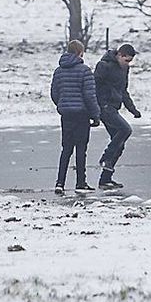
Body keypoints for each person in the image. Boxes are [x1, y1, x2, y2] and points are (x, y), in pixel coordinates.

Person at [50, 39, 101, 195]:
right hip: (81, 114)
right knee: (80, 149)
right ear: (80, 52)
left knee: (66, 149)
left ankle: (60, 182)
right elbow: (90, 95)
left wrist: (62, 105)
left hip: (66, 115)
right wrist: (95, 114)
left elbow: (54, 93)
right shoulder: (85, 71)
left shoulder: (58, 71)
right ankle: (80, 183)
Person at [93, 43, 142, 189]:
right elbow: (94, 86)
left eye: (130, 61)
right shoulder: (104, 65)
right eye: (126, 60)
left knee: (119, 145)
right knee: (125, 130)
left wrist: (132, 109)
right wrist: (96, 107)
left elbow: (123, 91)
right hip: (104, 107)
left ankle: (105, 180)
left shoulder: (125, 69)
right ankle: (106, 158)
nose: (128, 64)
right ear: (119, 55)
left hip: (113, 107)